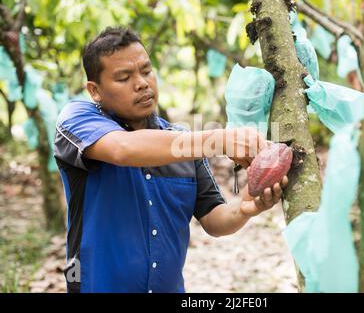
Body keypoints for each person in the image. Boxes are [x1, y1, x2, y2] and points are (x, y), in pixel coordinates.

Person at [54, 27, 288, 293]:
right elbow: (123, 149)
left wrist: (246, 206)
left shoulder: (182, 141)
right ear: (95, 90)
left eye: (146, 70)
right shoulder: (76, 119)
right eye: (123, 77)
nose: (142, 83)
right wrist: (219, 139)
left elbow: (214, 220)